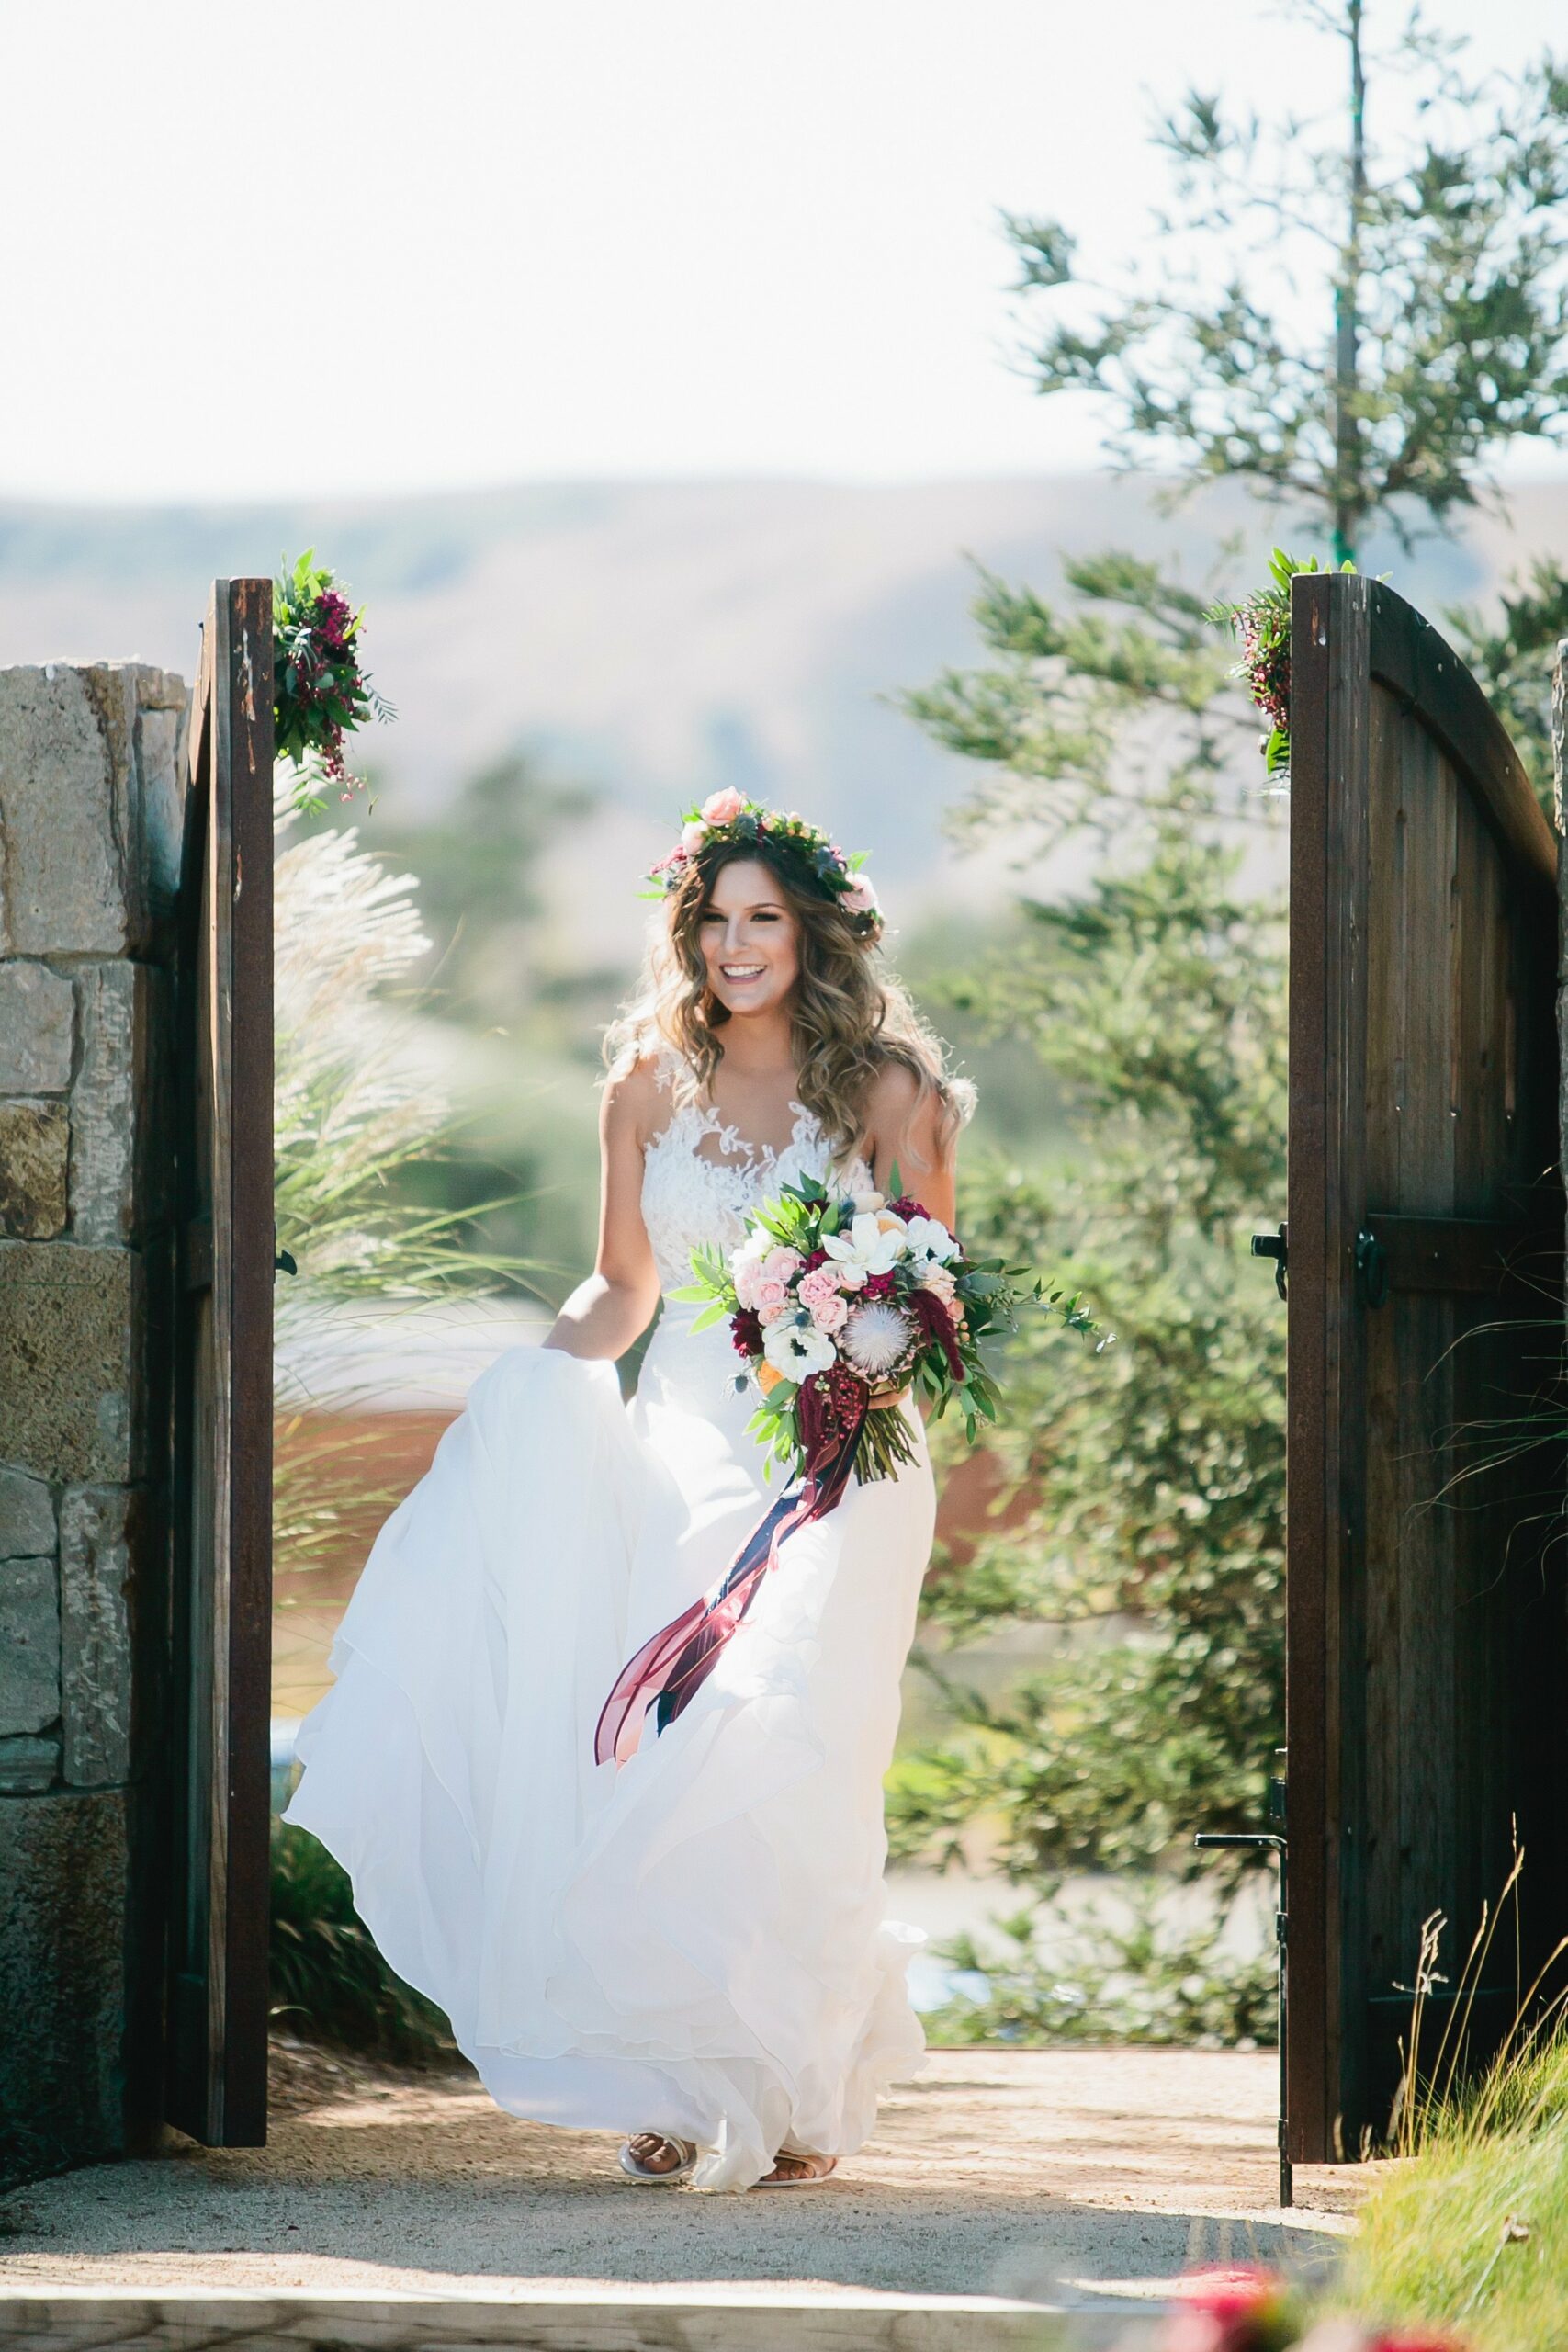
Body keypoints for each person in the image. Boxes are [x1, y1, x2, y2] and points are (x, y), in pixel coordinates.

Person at [283, 792, 973, 2190]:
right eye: (714, 919)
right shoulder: (645, 1087)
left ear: (813, 931)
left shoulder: (890, 1090)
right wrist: (535, 1380)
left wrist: (866, 1369)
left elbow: (936, 1283)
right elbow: (625, 1285)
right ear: (688, 932)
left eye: (763, 918)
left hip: (841, 1457)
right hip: (684, 1444)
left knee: (801, 1750)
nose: (735, 944)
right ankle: (684, 2077)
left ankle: (789, 2076)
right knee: (681, 1747)